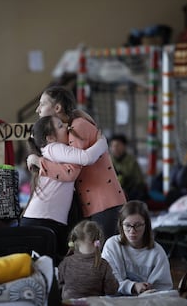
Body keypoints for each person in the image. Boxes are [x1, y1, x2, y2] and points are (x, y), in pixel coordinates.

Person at [29, 86, 126, 239]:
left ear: (58, 107)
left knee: (101, 256)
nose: (37, 109)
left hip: (103, 202)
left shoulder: (77, 127)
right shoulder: (74, 124)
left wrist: (39, 162)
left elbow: (71, 171)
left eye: (42, 103)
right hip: (98, 202)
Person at [22, 115, 108, 257]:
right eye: (60, 126)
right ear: (50, 138)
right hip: (42, 220)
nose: (67, 127)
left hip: (41, 219)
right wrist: (102, 142)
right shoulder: (53, 148)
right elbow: (86, 158)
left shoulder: (49, 152)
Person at [101, 200, 173, 295]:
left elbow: (164, 288)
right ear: (121, 225)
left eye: (138, 225)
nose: (132, 231)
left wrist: (148, 291)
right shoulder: (112, 245)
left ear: (146, 226)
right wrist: (133, 286)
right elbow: (108, 282)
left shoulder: (158, 252)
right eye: (127, 225)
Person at [58, 220, 118, 299]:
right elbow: (111, 290)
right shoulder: (103, 265)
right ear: (97, 242)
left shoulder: (66, 262)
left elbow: (58, 285)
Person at [109, 134, 148, 201]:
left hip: (130, 193)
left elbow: (140, 181)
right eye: (112, 146)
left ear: (124, 146)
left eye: (118, 145)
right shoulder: (108, 161)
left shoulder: (131, 161)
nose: (115, 148)